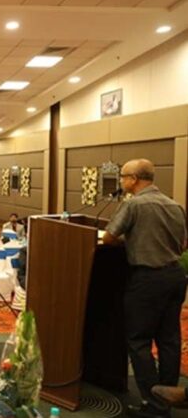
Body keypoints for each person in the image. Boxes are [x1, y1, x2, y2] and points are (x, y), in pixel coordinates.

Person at [102, 159, 187, 418]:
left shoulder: (134, 204)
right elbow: (183, 244)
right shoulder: (175, 205)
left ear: (134, 179)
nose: (121, 181)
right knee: (169, 340)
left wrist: (132, 241)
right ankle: (167, 397)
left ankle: (154, 404)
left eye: (123, 176)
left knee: (139, 340)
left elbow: (109, 237)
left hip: (147, 280)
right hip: (175, 277)